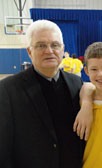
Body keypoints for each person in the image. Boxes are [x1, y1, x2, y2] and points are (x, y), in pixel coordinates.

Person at [0, 20, 85, 168]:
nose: (49, 51)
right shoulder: (8, 89)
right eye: (41, 45)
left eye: (55, 45)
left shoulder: (76, 84)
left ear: (62, 48)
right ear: (29, 51)